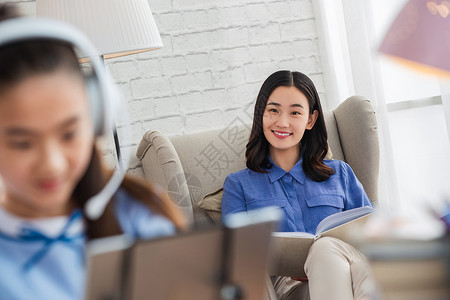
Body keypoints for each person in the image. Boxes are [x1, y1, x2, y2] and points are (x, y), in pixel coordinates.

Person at [0, 4, 185, 300]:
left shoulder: (140, 216)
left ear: (96, 118)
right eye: (23, 143)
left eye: (70, 134)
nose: (53, 164)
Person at [221, 70, 375, 300]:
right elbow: (236, 258)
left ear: (310, 120)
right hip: (292, 288)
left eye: (295, 112)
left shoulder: (340, 173)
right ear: (261, 114)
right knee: (324, 252)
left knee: (338, 256)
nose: (282, 122)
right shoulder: (239, 185)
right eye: (273, 110)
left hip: (351, 271)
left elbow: (370, 234)